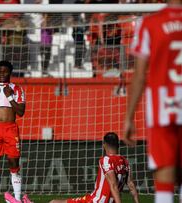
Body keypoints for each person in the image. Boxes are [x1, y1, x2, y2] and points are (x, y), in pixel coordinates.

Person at [123, 1, 182, 203]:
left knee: (165, 178)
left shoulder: (151, 23)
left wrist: (129, 118)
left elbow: (139, 75)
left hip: (163, 109)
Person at [0, 60, 31, 203]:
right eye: (0, 71)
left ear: (10, 73)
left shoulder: (17, 89)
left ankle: (16, 199)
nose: (2, 74)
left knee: (13, 163)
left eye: (5, 71)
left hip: (10, 128)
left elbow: (21, 112)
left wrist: (10, 97)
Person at [49, 132, 139, 203]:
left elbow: (113, 185)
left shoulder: (106, 160)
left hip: (96, 201)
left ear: (104, 145)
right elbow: (131, 185)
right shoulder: (125, 161)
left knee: (54, 202)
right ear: (118, 145)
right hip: (109, 201)